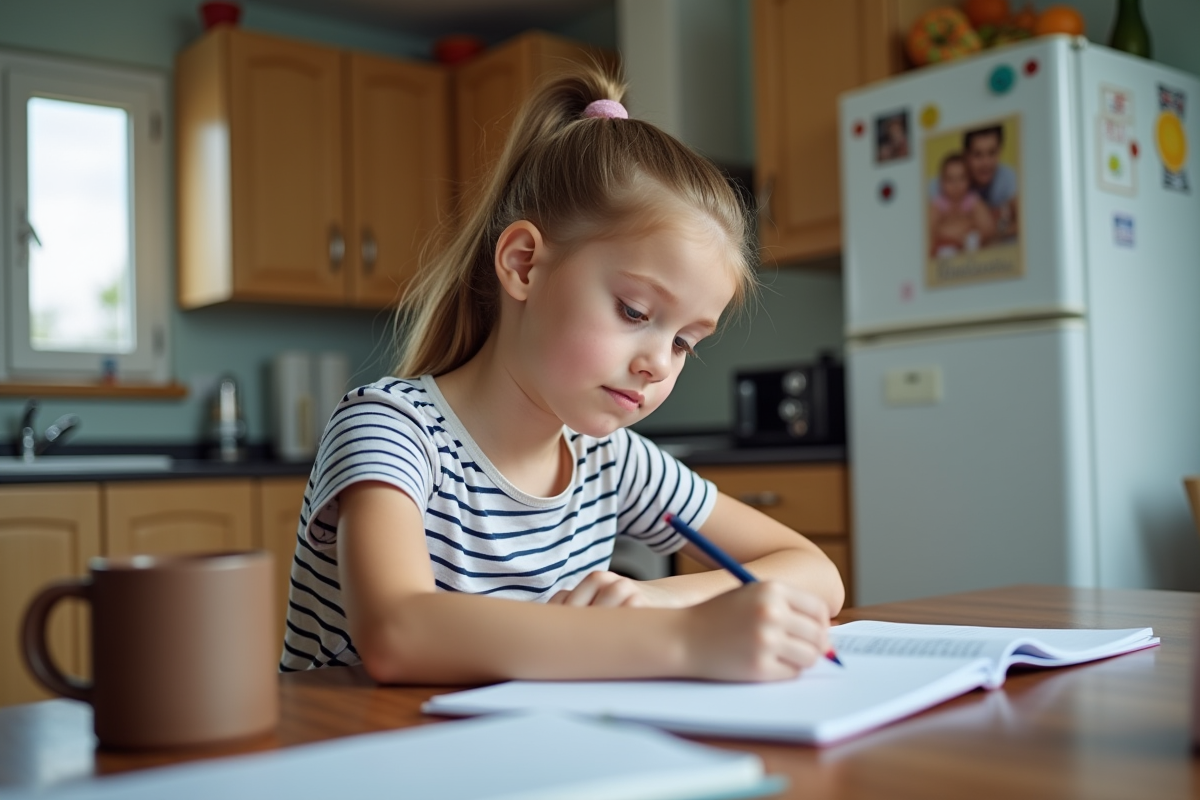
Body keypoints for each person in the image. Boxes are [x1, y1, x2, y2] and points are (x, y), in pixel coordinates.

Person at [279, 65, 845, 686]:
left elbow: (816, 571)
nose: (658, 362)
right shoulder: (393, 429)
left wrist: (661, 601)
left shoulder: (607, 458)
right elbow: (397, 631)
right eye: (634, 312)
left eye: (685, 342)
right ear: (524, 264)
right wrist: (682, 639)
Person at [929, 152, 994, 257]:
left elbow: (988, 228)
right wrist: (967, 224)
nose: (956, 185)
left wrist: (968, 229)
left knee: (974, 239)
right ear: (941, 182)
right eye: (950, 179)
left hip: (969, 247)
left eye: (961, 178)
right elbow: (929, 230)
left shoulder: (972, 200)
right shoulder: (938, 204)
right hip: (946, 247)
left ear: (969, 180)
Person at [962, 125, 1018, 241]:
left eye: (992, 153)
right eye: (977, 155)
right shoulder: (947, 182)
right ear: (966, 155)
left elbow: (1026, 221)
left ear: (1000, 151)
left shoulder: (1008, 178)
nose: (985, 163)